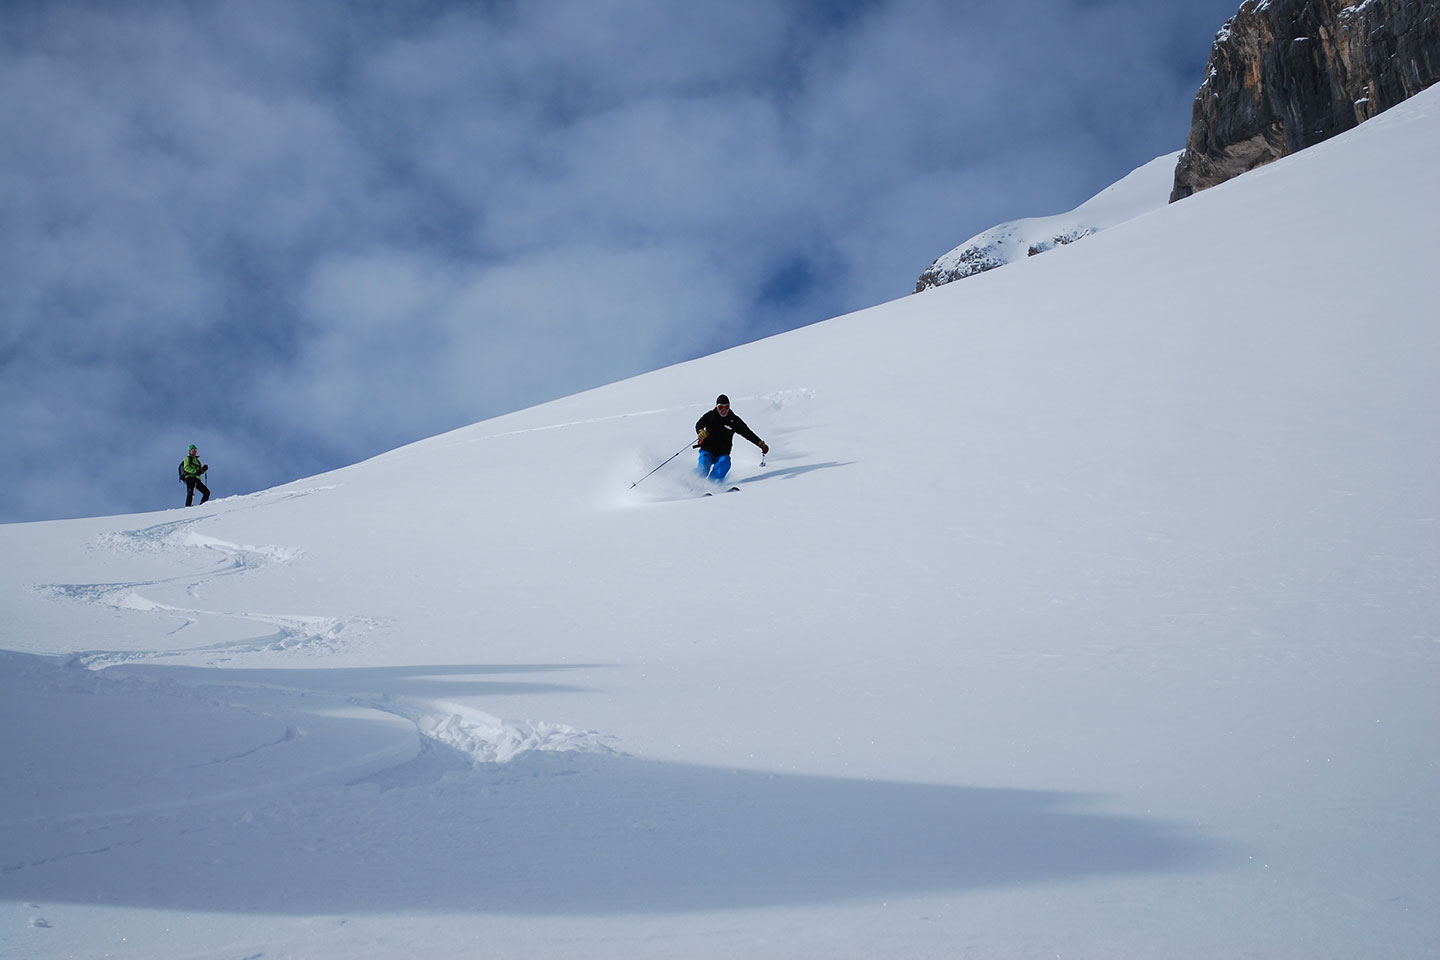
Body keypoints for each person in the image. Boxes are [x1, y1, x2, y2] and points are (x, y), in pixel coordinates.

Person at [694, 394, 768, 483]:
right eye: (721, 407)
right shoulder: (710, 416)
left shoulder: (734, 420)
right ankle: (692, 485)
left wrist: (760, 443)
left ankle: (710, 485)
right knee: (702, 469)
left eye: (726, 407)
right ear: (717, 407)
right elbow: (699, 424)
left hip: (722, 453)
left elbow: (747, 433)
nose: (724, 410)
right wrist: (700, 431)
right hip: (707, 451)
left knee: (724, 464)